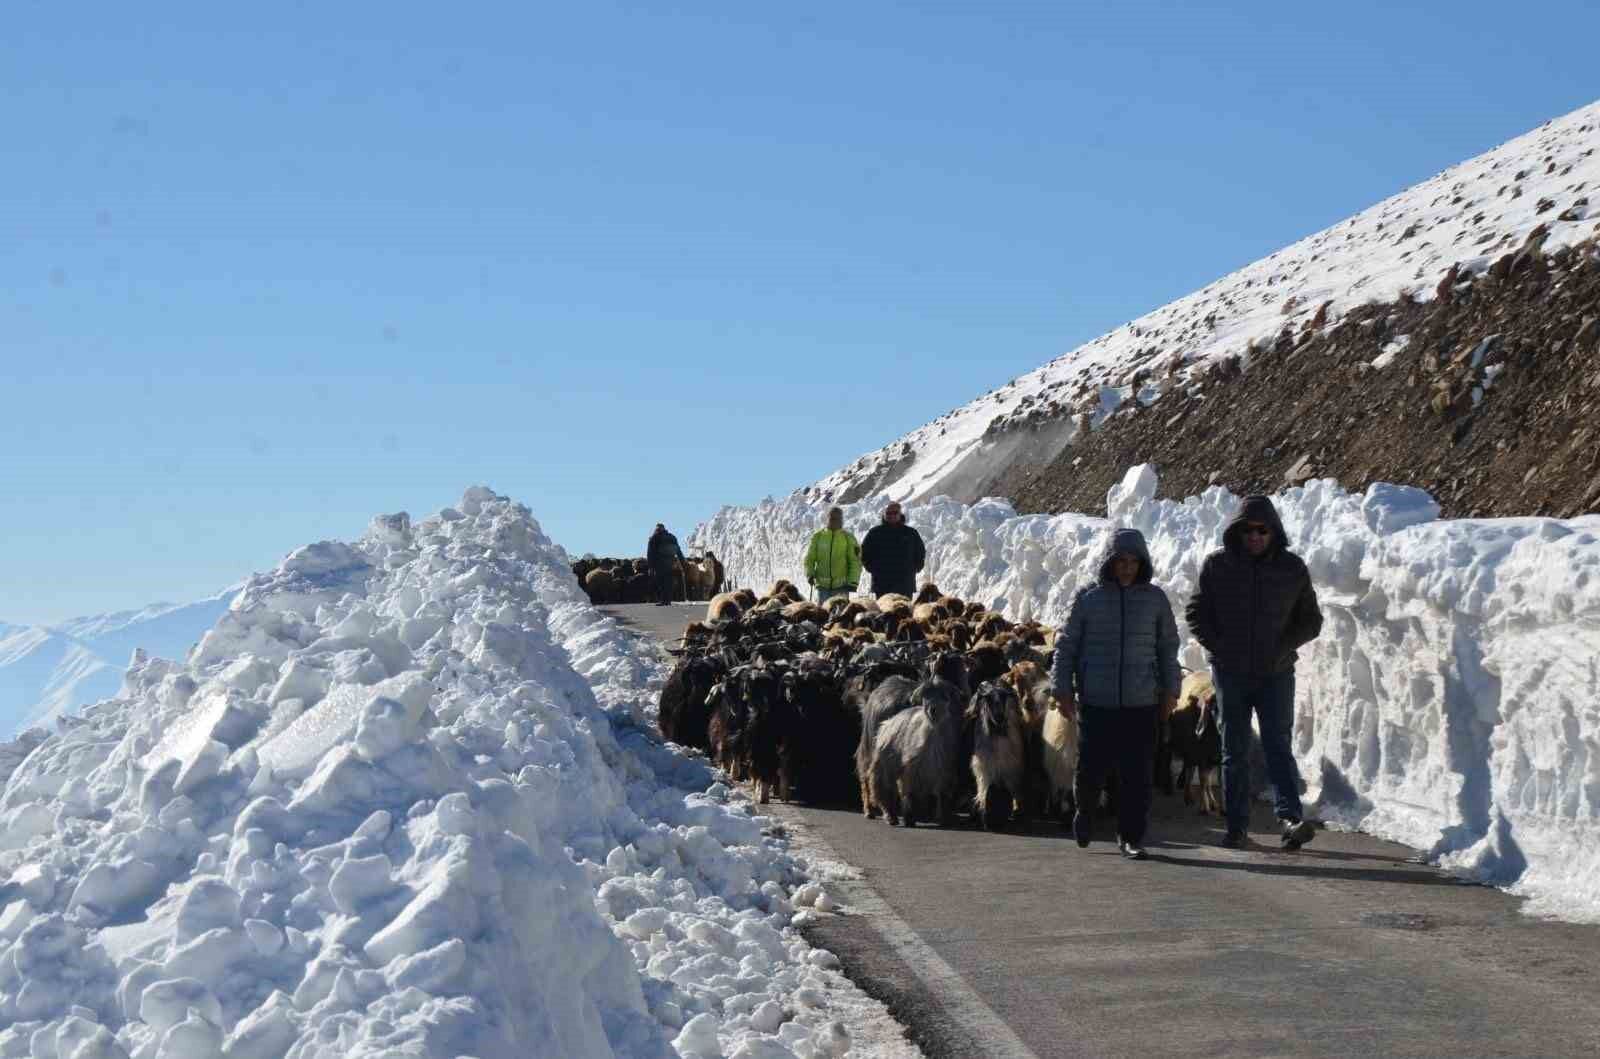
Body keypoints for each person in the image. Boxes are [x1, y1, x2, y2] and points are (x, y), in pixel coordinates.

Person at [1184, 495, 1323, 850]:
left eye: (1262, 530)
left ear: (1274, 531)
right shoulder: (1218, 566)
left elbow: (1312, 620)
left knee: (1278, 745)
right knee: (1234, 748)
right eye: (1248, 530)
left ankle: (1290, 818)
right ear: (1237, 532)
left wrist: (1281, 647)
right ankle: (1236, 825)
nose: (1255, 536)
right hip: (1231, 674)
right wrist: (1220, 647)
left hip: (1275, 674)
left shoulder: (1292, 569)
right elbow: (1196, 613)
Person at [1050, 528, 1180, 860]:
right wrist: (1062, 689)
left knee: (1137, 774)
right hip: (1097, 700)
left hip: (1142, 701)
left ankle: (1131, 836)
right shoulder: (1088, 598)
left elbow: (1167, 648)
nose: (1127, 567)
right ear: (1110, 562)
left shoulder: (1155, 599)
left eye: (1133, 561)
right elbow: (1066, 647)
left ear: (1142, 563)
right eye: (1121, 560)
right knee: (1092, 768)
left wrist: (1170, 692)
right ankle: (1085, 810)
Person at [860, 501, 926, 599]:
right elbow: (864, 553)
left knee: (904, 612)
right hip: (881, 584)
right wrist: (871, 568)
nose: (892, 516)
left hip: (905, 584)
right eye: (888, 513)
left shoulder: (911, 533)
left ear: (900, 514)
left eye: (895, 513)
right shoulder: (875, 533)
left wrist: (916, 568)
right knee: (882, 613)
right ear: (884, 515)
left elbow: (920, 552)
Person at [803, 507, 861, 604]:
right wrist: (810, 574)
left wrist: (853, 582)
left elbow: (855, 561)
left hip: (842, 587)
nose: (834, 521)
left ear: (841, 520)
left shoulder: (848, 538)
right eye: (832, 518)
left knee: (840, 617)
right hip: (822, 588)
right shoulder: (818, 537)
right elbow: (810, 558)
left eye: (837, 518)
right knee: (823, 616)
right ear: (827, 518)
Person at [646, 523, 684, 607]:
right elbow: (678, 550)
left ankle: (663, 600)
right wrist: (683, 562)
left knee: (661, 582)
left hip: (659, 563)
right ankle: (668, 600)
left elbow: (650, 553)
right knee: (668, 581)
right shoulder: (672, 537)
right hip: (671, 562)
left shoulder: (654, 538)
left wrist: (650, 567)